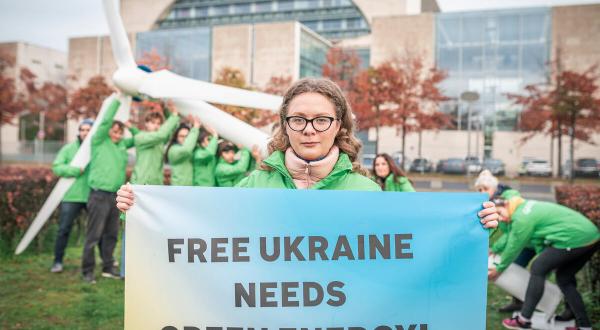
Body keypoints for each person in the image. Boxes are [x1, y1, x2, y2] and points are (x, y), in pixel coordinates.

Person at [116, 79, 498, 227]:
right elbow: (203, 223)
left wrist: (470, 223)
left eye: (321, 120)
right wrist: (144, 206)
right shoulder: (256, 181)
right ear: (284, 124)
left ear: (339, 126)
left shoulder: (365, 192)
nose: (310, 130)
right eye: (298, 120)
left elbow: (412, 239)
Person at [488, 197, 599, 330]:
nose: (500, 219)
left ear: (506, 205)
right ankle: (583, 325)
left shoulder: (521, 218)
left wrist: (499, 269)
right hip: (590, 235)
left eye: (499, 213)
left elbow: (514, 246)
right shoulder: (523, 207)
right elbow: (538, 240)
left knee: (538, 267)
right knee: (564, 278)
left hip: (575, 238)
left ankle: (523, 320)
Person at [83, 96, 134, 284]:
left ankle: (107, 267)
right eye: (114, 131)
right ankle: (87, 270)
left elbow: (139, 138)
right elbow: (104, 122)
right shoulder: (99, 141)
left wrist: (131, 126)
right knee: (93, 235)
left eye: (120, 133)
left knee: (111, 234)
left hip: (115, 196)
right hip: (98, 194)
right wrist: (118, 99)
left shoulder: (121, 146)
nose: (117, 135)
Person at [475, 170, 534, 313]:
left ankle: (531, 305)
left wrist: (495, 250)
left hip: (529, 238)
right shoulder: (492, 202)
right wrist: (495, 248)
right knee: (515, 267)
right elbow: (507, 233)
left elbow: (513, 235)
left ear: (495, 188)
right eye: (479, 189)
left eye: (485, 189)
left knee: (537, 271)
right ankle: (519, 302)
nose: (482, 192)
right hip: (524, 240)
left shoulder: (508, 200)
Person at [50, 119, 93, 273]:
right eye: (82, 129)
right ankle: (57, 262)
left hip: (91, 196)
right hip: (71, 197)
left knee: (97, 231)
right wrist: (74, 170)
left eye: (88, 130)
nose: (85, 132)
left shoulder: (97, 148)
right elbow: (57, 167)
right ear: (79, 131)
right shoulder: (68, 149)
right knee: (63, 230)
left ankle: (102, 264)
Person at [130, 109, 180, 185]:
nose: (156, 126)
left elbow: (171, 129)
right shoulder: (140, 137)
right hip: (141, 182)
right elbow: (161, 134)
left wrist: (168, 112)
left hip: (157, 183)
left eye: (159, 123)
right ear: (146, 123)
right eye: (153, 123)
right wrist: (174, 116)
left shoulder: (161, 140)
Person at [166, 117, 200, 186]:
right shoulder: (173, 150)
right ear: (176, 138)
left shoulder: (191, 148)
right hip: (178, 187)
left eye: (187, 136)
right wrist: (195, 128)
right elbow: (186, 149)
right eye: (181, 136)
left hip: (190, 187)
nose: (185, 139)